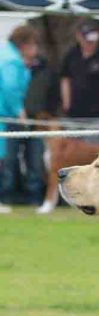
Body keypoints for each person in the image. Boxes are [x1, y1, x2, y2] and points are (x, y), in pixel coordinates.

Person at [37, 19, 99, 214]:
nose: (90, 43)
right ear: (79, 37)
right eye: (87, 39)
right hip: (74, 119)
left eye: (93, 39)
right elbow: (64, 77)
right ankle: (77, 201)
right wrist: (66, 100)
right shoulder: (72, 55)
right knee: (70, 166)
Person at [0, 24, 39, 213]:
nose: (36, 49)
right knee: (4, 159)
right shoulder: (11, 61)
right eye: (33, 44)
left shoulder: (6, 54)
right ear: (24, 44)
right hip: (5, 117)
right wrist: (19, 111)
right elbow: (10, 88)